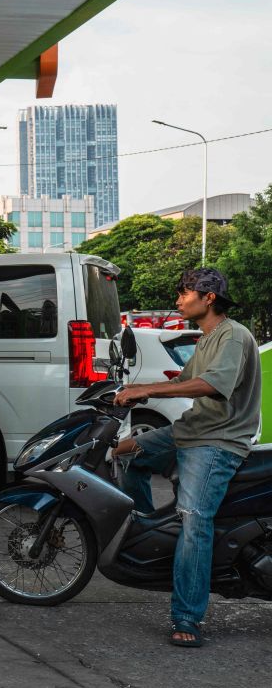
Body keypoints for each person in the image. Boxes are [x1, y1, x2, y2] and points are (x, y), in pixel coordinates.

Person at [114, 268, 262, 649]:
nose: (179, 299)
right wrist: (136, 390)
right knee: (125, 454)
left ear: (208, 297)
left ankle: (187, 616)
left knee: (195, 519)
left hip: (217, 441)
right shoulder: (207, 338)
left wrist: (150, 388)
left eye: (185, 292)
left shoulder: (233, 335)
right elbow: (183, 381)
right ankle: (150, 537)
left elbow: (210, 385)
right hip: (190, 430)